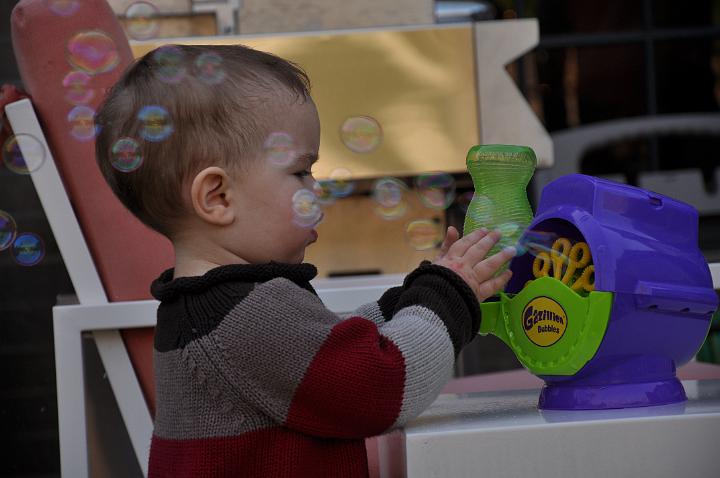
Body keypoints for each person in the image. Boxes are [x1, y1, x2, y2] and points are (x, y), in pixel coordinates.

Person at [94, 43, 516, 478]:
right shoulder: (249, 315)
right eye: (300, 172)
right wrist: (448, 295)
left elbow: (329, 347)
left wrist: (415, 296)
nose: (315, 190)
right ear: (218, 197)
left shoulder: (208, 308)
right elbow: (382, 387)